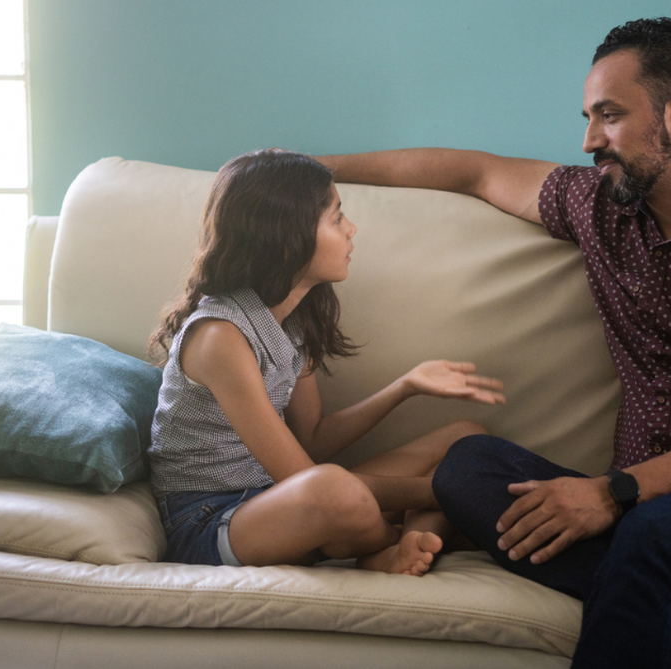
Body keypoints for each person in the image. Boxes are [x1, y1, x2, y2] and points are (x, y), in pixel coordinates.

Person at [316, 17, 671, 669]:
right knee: (466, 465)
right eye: (587, 117)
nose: (587, 140)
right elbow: (475, 173)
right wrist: (308, 168)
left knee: (657, 532)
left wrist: (612, 493)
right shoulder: (598, 206)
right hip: (642, 501)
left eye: (608, 116)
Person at [146, 149, 504, 577]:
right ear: (286, 239)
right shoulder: (220, 337)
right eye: (336, 218)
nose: (351, 230)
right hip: (212, 521)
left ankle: (403, 540)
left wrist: (405, 385)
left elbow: (313, 438)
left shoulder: (292, 320)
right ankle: (390, 544)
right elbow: (303, 477)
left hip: (275, 496)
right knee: (334, 490)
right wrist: (441, 492)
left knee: (466, 440)